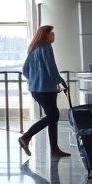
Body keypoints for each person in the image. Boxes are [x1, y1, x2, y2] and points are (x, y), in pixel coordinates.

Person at [18, 25, 71, 158]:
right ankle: (26, 137)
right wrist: (61, 82)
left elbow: (25, 70)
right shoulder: (46, 47)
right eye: (51, 33)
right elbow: (51, 68)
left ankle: (54, 149)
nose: (54, 36)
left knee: (53, 115)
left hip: (36, 89)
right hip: (46, 89)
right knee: (53, 116)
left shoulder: (33, 49)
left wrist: (34, 79)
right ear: (45, 35)